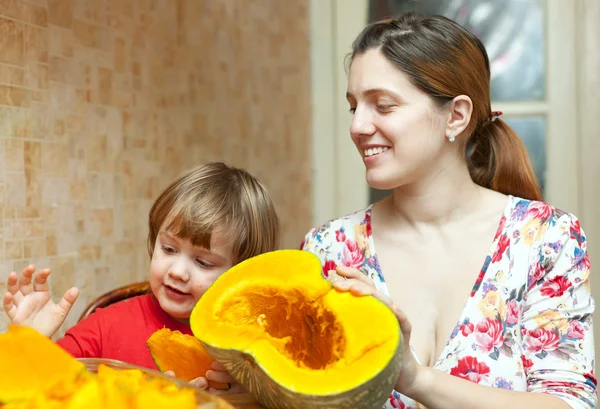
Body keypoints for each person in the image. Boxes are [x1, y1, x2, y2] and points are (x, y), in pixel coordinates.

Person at [300, 12, 596, 409]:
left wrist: (417, 378)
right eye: (354, 107)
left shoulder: (546, 239)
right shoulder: (329, 249)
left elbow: (570, 404)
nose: (358, 126)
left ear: (456, 115)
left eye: (383, 106)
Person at [4, 161, 280, 394]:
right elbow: (37, 388)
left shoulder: (258, 349)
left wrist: (251, 390)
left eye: (203, 262)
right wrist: (30, 342)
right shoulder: (104, 327)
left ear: (242, 274)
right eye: (169, 249)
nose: (177, 271)